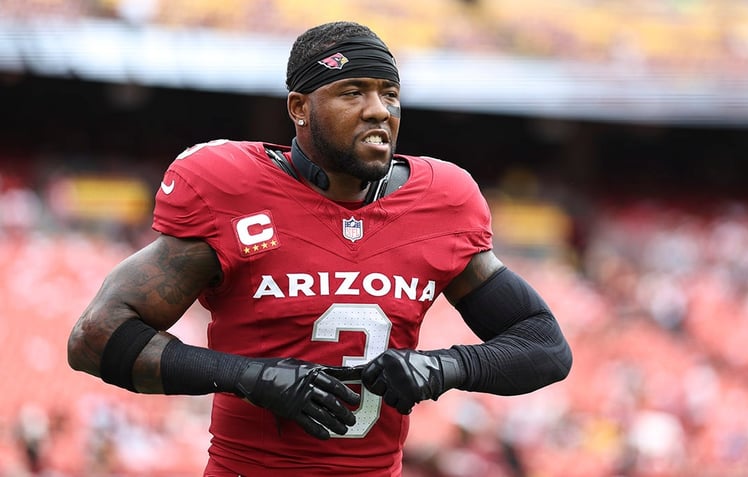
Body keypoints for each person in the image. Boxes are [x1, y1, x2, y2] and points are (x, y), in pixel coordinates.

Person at [67, 20, 573, 477]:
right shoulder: (230, 188)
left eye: (389, 93)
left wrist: (440, 367)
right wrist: (249, 376)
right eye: (353, 92)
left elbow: (544, 346)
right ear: (299, 108)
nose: (379, 110)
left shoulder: (442, 200)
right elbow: (96, 337)